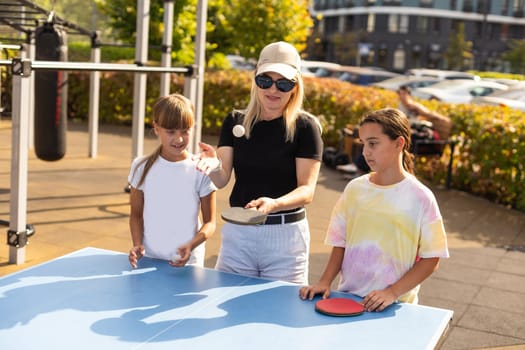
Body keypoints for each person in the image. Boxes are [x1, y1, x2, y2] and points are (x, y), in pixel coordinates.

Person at [194, 41, 323, 284]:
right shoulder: (234, 121)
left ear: (295, 87)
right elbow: (221, 180)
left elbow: (307, 191)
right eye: (265, 80)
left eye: (283, 83)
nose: (273, 90)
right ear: (255, 80)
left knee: (281, 311)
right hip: (238, 233)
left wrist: (274, 204)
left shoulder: (306, 127)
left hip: (285, 237)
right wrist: (212, 165)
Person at [299, 108, 449, 311]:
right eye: (363, 144)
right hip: (349, 298)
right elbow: (340, 242)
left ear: (399, 143)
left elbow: (432, 258)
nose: (365, 152)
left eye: (373, 143)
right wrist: (324, 281)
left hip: (395, 306)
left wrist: (392, 292)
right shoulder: (355, 189)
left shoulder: (421, 197)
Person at [128, 93, 217, 269]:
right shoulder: (140, 166)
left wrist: (191, 245)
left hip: (189, 262)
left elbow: (210, 223)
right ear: (156, 128)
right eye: (170, 131)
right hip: (151, 258)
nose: (179, 139)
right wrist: (137, 243)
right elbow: (136, 215)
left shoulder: (201, 169)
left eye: (185, 130)